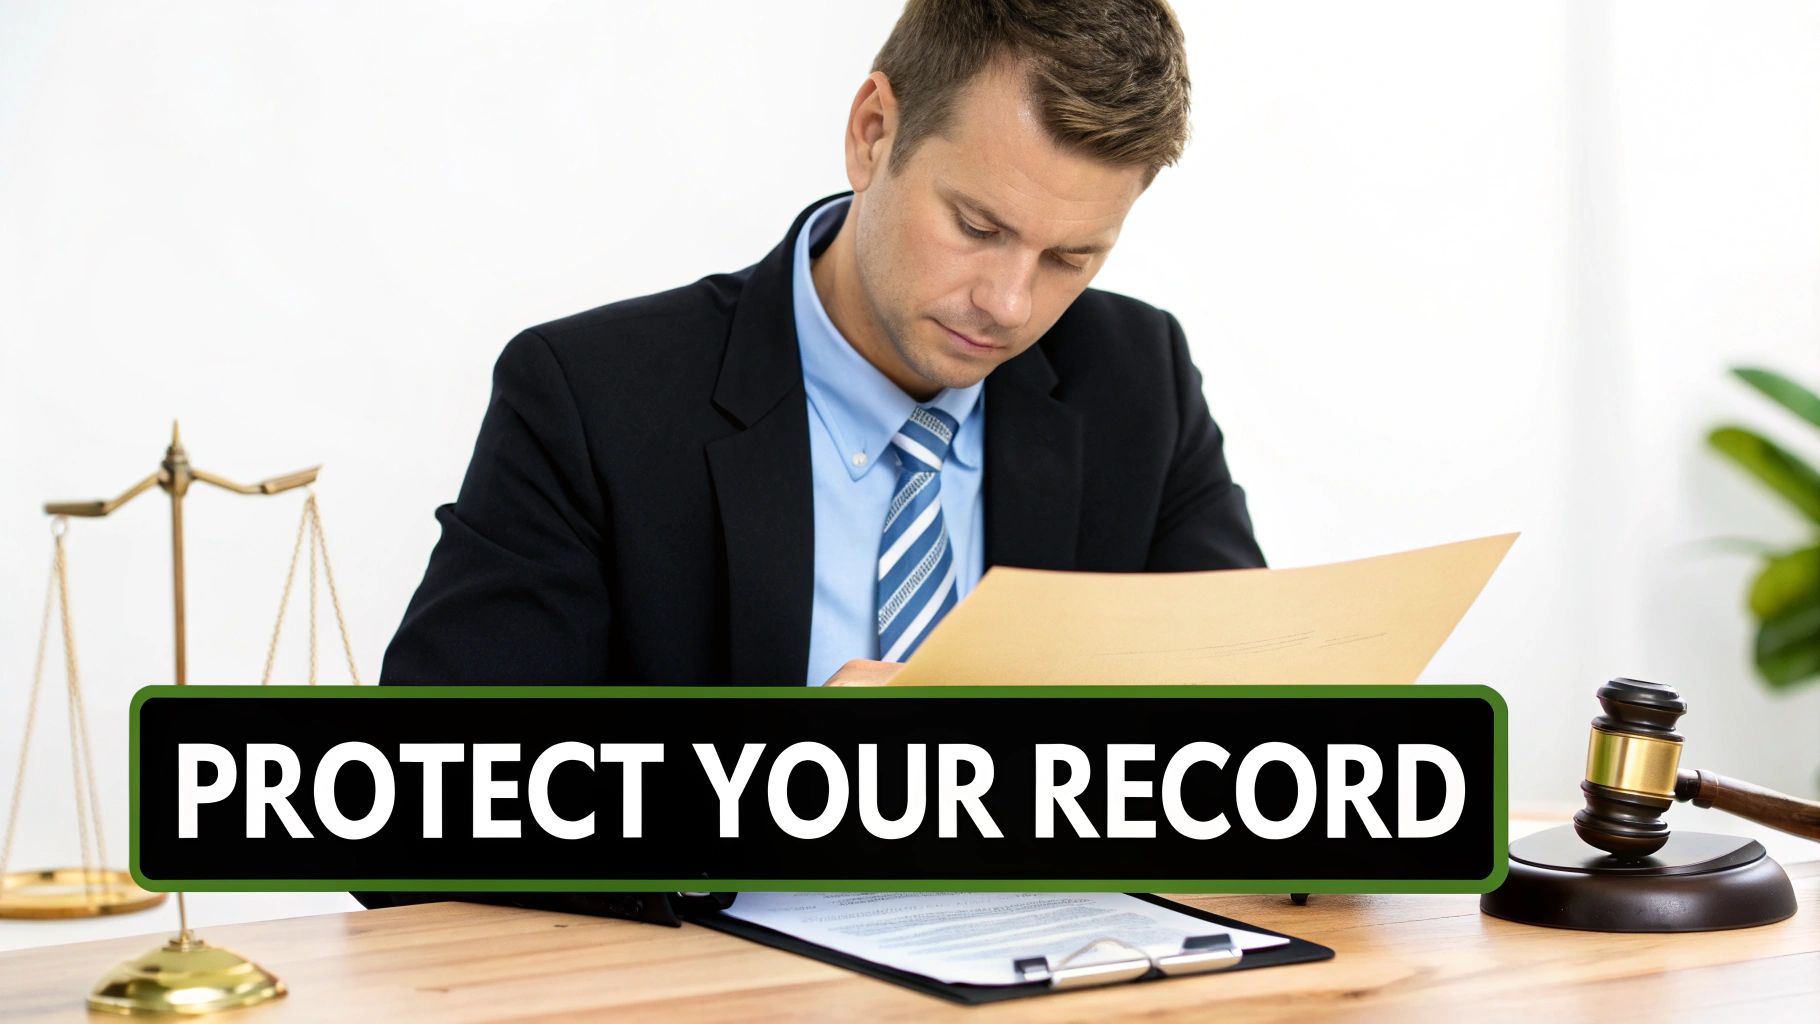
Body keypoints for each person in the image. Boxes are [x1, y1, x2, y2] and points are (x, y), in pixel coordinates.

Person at [360, 0, 1263, 922]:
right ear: (873, 134)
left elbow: (1260, 735)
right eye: (977, 226)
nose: (1009, 304)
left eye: (1069, 258)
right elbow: (412, 808)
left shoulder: (1136, 380)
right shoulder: (593, 398)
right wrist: (779, 786)